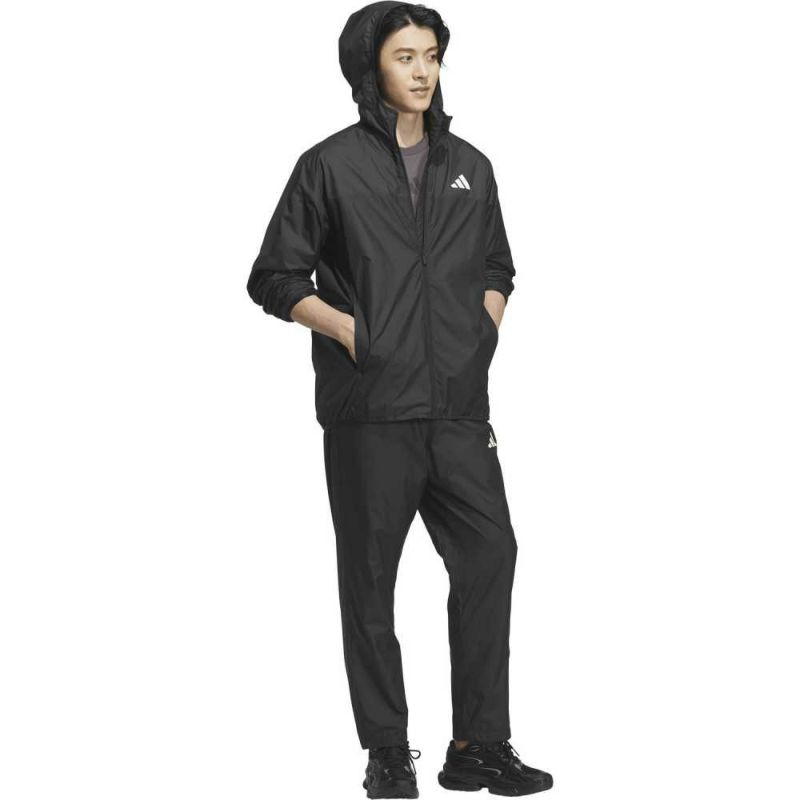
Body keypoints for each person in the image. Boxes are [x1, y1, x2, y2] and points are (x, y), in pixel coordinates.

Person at [246, 2, 553, 796]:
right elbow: (273, 276)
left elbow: (497, 266)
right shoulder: (328, 166)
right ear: (370, 67)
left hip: (458, 408)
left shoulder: (470, 164)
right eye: (404, 56)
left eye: (431, 55)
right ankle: (387, 750)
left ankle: (479, 744)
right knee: (371, 580)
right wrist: (353, 332)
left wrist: (480, 333)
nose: (422, 71)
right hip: (371, 410)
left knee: (491, 555)